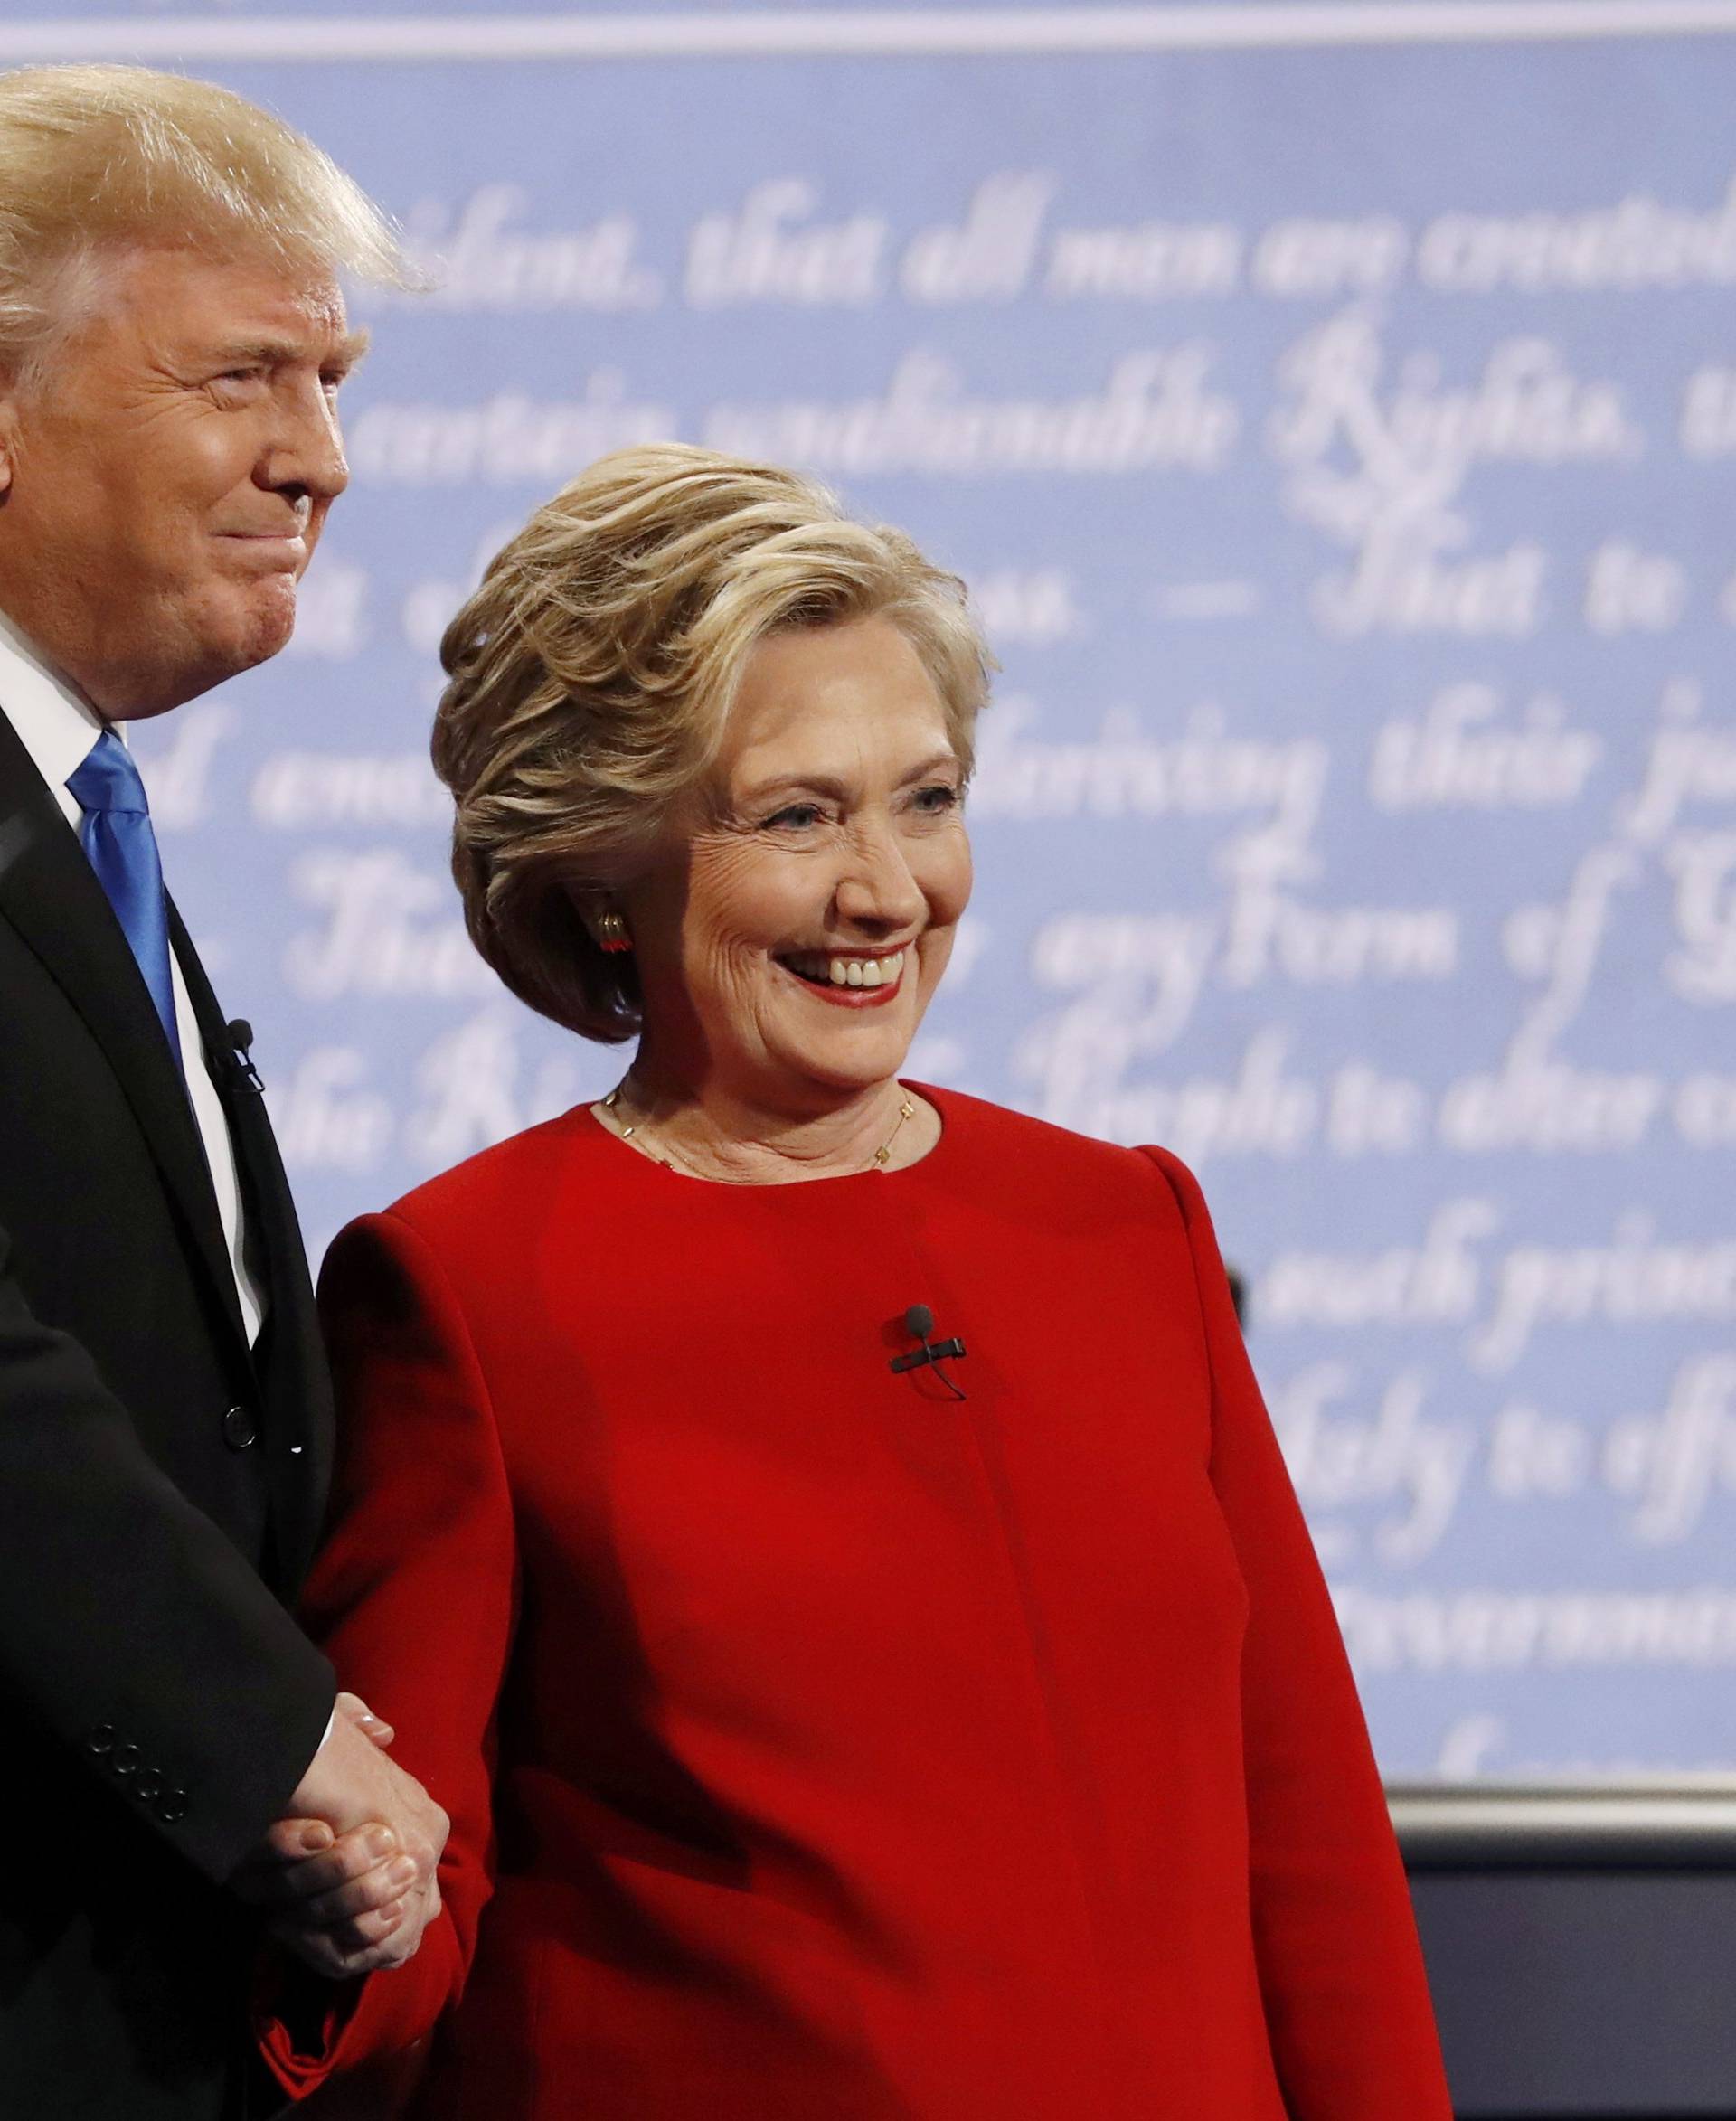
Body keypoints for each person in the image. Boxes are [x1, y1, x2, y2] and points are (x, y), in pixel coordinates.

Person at [259, 444, 1454, 2118]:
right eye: (798, 814)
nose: (889, 890)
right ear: (605, 874)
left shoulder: (1126, 1227)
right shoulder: (461, 1289)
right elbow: (407, 1879)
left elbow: (1309, 1841)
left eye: (930, 796)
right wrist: (353, 1919)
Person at [0, 65, 451, 2119]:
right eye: (244, 375)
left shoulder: (84, 819)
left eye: (332, 381)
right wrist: (264, 1732)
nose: (322, 461)